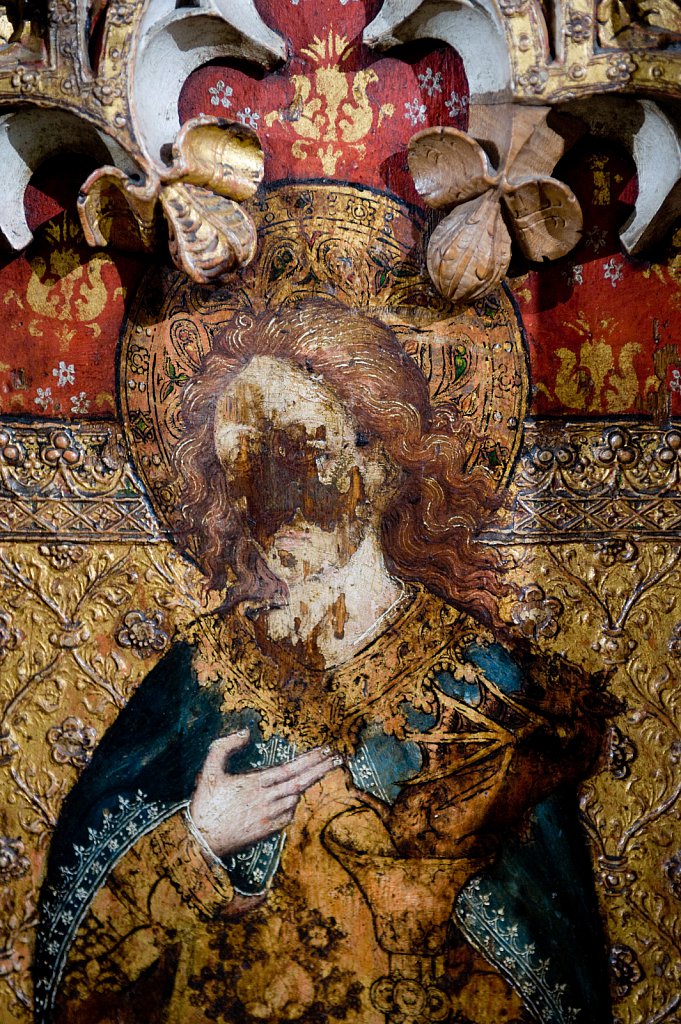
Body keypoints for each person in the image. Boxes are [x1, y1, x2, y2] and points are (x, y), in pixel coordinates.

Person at [35, 299, 613, 1024]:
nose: (263, 496)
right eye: (239, 462)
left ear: (375, 461)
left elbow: (553, 962)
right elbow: (70, 952)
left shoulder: (485, 679)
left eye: (295, 452)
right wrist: (198, 840)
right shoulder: (200, 673)